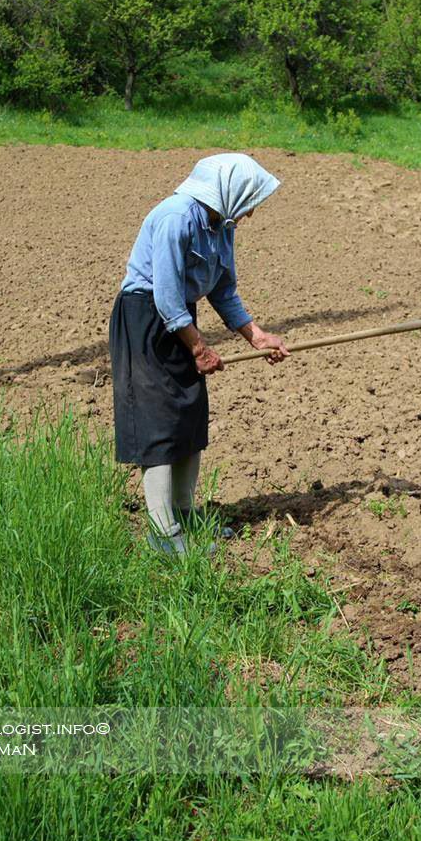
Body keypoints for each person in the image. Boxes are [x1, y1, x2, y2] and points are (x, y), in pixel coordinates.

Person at [109, 152, 289, 555]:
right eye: (251, 201)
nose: (251, 213)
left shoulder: (221, 225)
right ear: (230, 191)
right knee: (159, 422)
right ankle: (163, 534)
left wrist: (256, 336)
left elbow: (223, 290)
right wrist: (198, 347)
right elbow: (167, 294)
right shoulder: (176, 217)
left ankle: (187, 517)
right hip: (146, 318)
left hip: (179, 317)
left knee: (188, 417)